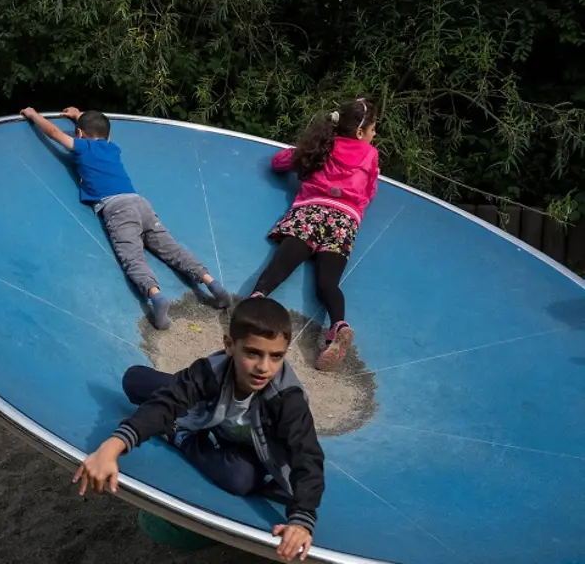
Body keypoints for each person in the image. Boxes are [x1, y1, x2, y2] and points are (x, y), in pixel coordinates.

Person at [73, 296, 325, 563]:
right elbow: (170, 401)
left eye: (276, 357)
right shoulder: (213, 370)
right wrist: (111, 447)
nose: (264, 367)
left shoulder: (287, 400)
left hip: (254, 450)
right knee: (135, 380)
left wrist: (301, 520)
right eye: (253, 353)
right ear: (229, 345)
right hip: (208, 415)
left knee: (240, 479)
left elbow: (307, 456)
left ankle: (180, 436)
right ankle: (180, 423)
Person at [19, 106, 233, 329]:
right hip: (140, 203)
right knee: (172, 250)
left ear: (80, 134)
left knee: (133, 257)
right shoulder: (112, 148)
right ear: (107, 136)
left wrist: (34, 115)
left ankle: (156, 295)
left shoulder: (83, 147)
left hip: (118, 209)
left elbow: (54, 133)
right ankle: (211, 282)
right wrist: (79, 116)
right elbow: (100, 129)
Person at [251, 98, 380, 371]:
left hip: (311, 213)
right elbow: (369, 192)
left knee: (281, 265)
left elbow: (279, 163)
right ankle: (337, 325)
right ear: (360, 133)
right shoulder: (370, 154)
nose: (374, 134)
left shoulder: (322, 144)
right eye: (373, 129)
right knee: (328, 283)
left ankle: (255, 301)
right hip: (344, 221)